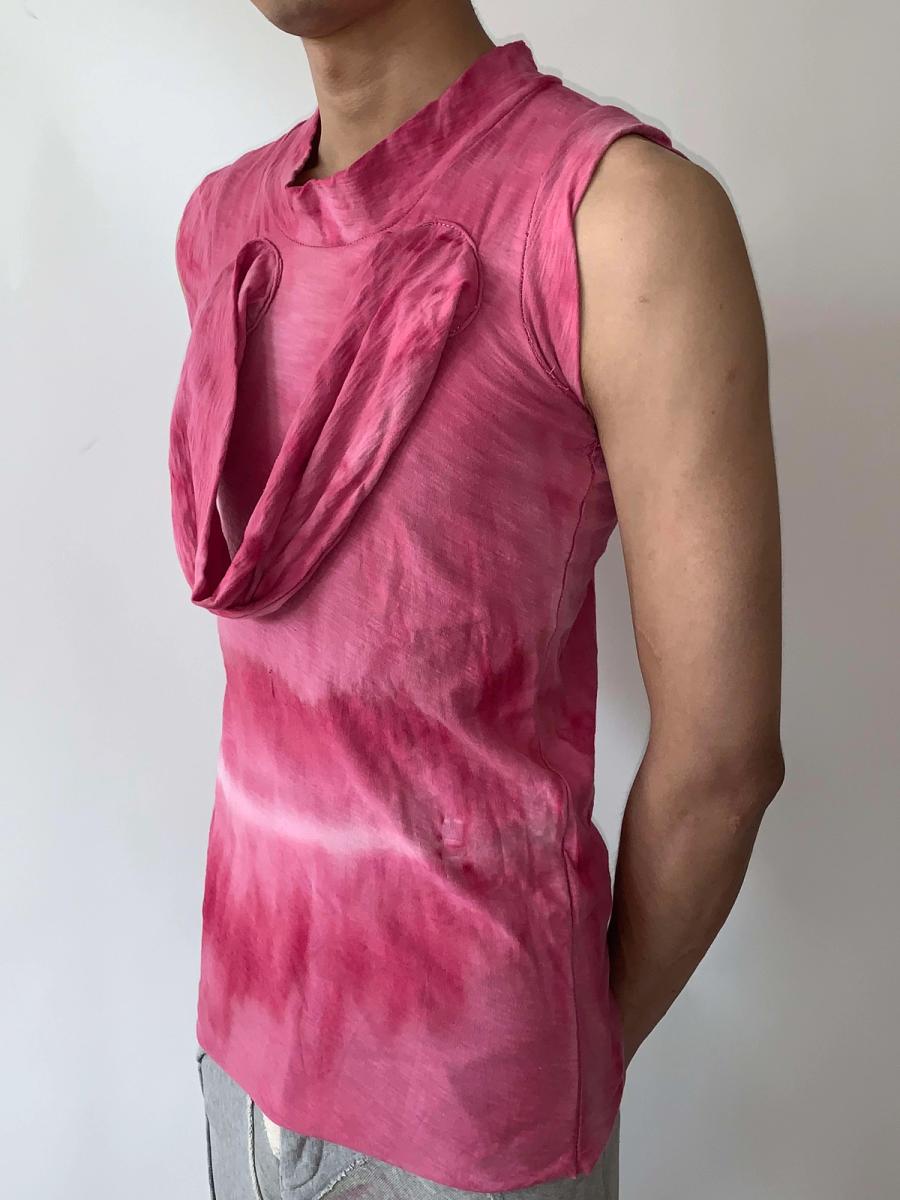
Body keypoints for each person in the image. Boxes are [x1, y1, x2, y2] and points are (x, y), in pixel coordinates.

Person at [169, 1, 784, 1197]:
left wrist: (566, 1057)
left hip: (473, 1123)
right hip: (239, 1056)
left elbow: (722, 766)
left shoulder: (619, 218)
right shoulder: (220, 225)